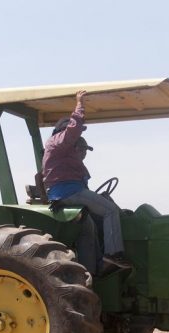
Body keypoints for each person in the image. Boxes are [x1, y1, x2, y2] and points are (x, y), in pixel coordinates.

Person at [42, 90, 125, 274]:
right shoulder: (58, 141)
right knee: (110, 211)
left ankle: (92, 271)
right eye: (78, 143)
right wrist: (79, 104)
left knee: (91, 226)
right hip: (68, 192)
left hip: (67, 191)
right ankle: (112, 255)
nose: (81, 149)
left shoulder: (65, 154)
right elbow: (74, 129)